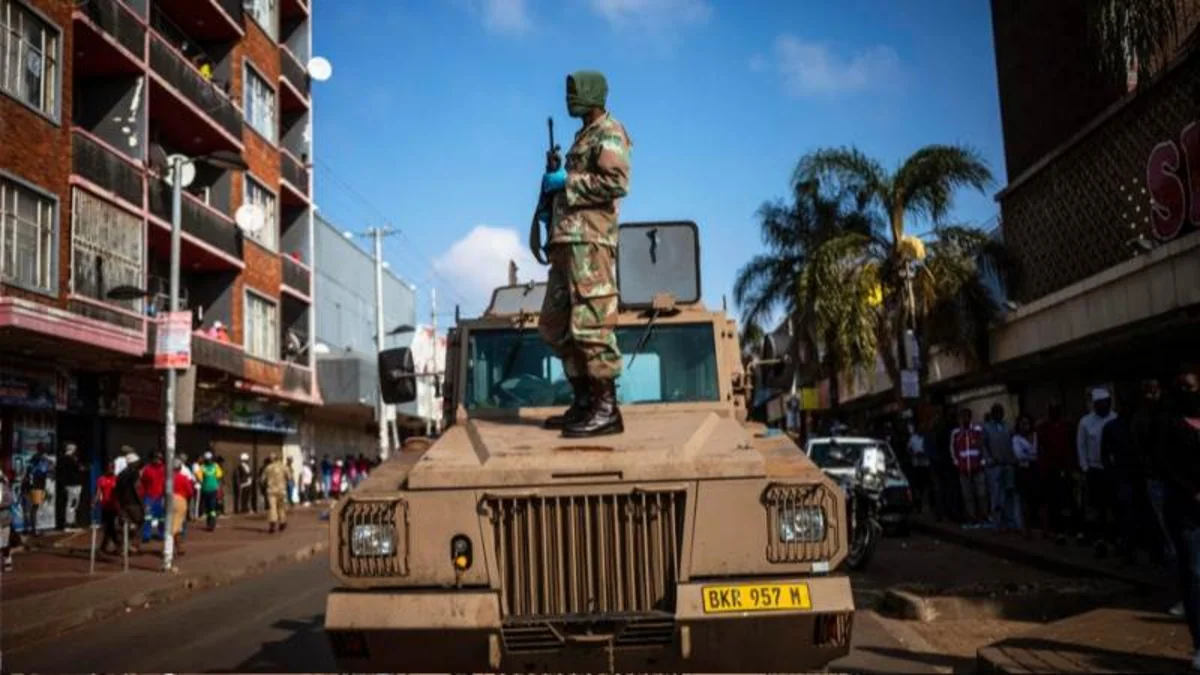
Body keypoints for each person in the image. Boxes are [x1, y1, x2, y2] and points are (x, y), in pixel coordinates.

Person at [536, 70, 633, 439]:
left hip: (590, 243)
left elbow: (617, 183)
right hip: (566, 242)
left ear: (593, 94)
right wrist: (553, 184)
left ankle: (607, 410)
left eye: (574, 92)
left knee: (592, 325)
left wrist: (567, 182)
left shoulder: (610, 132)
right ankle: (584, 402)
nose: (568, 99)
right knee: (555, 325)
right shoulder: (585, 136)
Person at [1161, 368, 1200, 671]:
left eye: (1193, 386)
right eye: (1183, 387)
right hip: (1184, 509)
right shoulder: (1169, 426)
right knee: (1194, 571)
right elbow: (1167, 466)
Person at [1078, 388, 1118, 557]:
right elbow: (1081, 446)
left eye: (1106, 403)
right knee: (1097, 505)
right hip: (1094, 469)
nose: (1103, 407)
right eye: (1099, 404)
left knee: (1113, 504)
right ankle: (1099, 537)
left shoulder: (1115, 418)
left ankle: (1115, 537)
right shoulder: (1086, 422)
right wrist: (1085, 467)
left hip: (1112, 469)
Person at [1037, 401, 1081, 543]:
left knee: (1072, 501)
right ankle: (1060, 531)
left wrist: (1075, 467)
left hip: (1068, 468)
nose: (1053, 412)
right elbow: (1041, 449)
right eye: (1051, 410)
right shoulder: (1043, 428)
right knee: (1056, 502)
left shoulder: (1068, 426)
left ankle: (1076, 529)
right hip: (1052, 470)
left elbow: (1074, 446)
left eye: (1056, 409)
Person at [950, 407, 989, 527]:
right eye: (962, 417)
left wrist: (982, 460)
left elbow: (983, 445)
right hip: (963, 469)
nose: (964, 419)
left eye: (966, 416)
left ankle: (984, 517)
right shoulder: (956, 433)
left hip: (977, 467)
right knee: (968, 495)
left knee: (981, 494)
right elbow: (952, 448)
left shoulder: (977, 430)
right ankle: (972, 518)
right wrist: (956, 461)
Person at [1012, 413, 1040, 539]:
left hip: (1035, 470)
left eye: (1027, 423)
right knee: (1024, 500)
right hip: (1023, 471)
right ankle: (1026, 528)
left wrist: (1030, 456)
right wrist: (1032, 456)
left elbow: (1038, 452)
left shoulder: (1035, 436)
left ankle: (1039, 528)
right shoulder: (1016, 438)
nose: (1025, 426)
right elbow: (1019, 455)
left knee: (1036, 498)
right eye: (1022, 423)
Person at [114, 453, 144, 555]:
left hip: (123, 503)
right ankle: (133, 546)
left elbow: (116, 490)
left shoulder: (120, 474)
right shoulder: (134, 473)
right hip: (133, 503)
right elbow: (137, 488)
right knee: (138, 523)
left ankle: (123, 547)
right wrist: (141, 503)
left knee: (125, 526)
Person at [93, 462, 120, 556]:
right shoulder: (101, 479)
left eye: (113, 468)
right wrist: (94, 502)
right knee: (107, 527)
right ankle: (114, 545)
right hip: (105, 506)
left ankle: (108, 546)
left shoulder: (117, 479)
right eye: (110, 468)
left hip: (115, 506)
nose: (112, 469)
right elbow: (98, 492)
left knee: (111, 526)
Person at [169, 459, 195, 556]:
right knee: (177, 525)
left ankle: (174, 547)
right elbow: (190, 492)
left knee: (171, 523)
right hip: (180, 500)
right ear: (180, 468)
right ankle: (175, 547)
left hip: (168, 500)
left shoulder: (168, 478)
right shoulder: (183, 478)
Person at [139, 453, 166, 543]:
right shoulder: (147, 469)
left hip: (161, 497)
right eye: (156, 458)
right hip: (149, 497)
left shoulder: (165, 469)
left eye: (159, 458)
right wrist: (142, 496)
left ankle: (162, 534)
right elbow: (143, 483)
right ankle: (146, 535)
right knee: (148, 517)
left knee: (162, 518)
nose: (158, 460)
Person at [60, 443, 86, 529]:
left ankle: (72, 521)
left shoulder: (64, 459)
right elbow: (80, 468)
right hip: (73, 484)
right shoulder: (70, 459)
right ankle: (69, 523)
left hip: (69, 484)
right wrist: (81, 466)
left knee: (72, 503)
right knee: (72, 503)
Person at [261, 455, 289, 534]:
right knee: (281, 507)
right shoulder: (284, 467)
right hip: (282, 490)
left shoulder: (268, 468)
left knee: (272, 507)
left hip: (271, 490)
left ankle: (273, 521)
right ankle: (282, 521)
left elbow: (262, 479)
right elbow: (289, 477)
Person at [196, 452, 222, 531]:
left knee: (208, 507)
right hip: (213, 489)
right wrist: (217, 484)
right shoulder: (215, 466)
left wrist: (203, 481)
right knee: (212, 507)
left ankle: (210, 524)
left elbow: (199, 477)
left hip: (205, 489)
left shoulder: (202, 467)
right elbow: (219, 475)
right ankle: (212, 524)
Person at [0, 470, 13, 571]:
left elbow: (9, 501)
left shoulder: (4, 488)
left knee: (4, 542)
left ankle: (7, 560)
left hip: (4, 518)